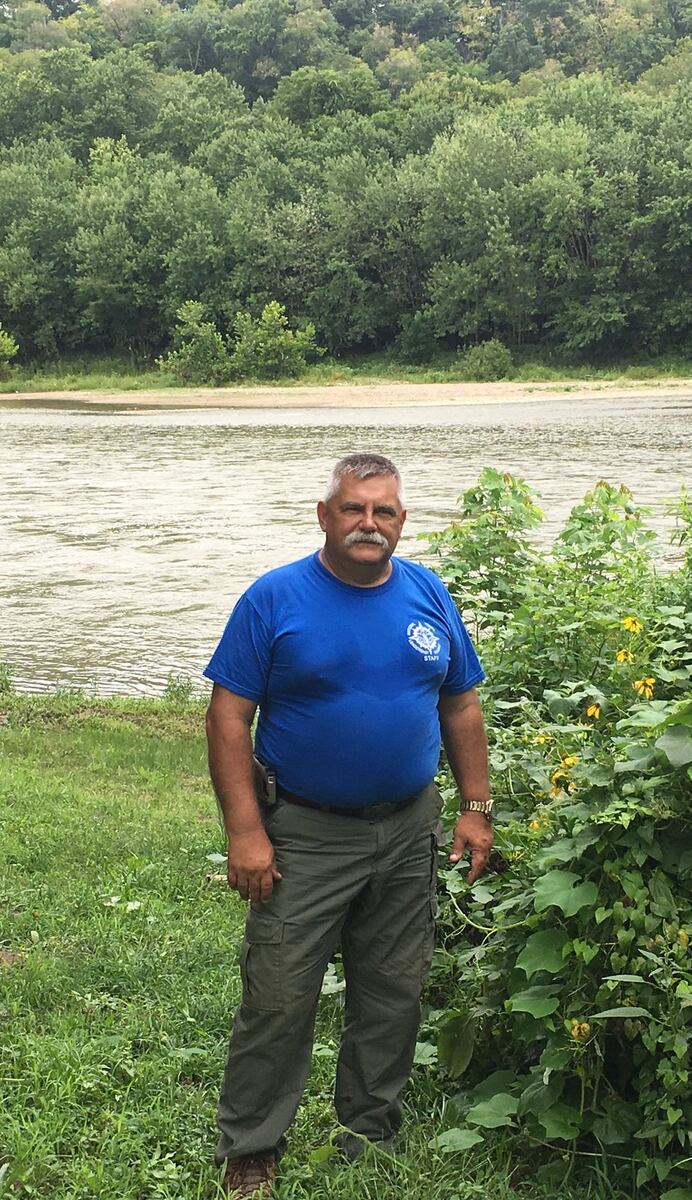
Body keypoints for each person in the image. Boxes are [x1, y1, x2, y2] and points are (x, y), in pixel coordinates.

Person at [203, 452, 494, 1198]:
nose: (370, 524)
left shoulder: (428, 593)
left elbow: (460, 703)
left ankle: (369, 1131)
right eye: (354, 509)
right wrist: (245, 832)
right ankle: (253, 1147)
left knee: (394, 990)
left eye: (385, 511)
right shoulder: (275, 598)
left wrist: (474, 807)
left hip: (407, 830)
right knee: (278, 995)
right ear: (325, 514)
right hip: (302, 831)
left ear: (402, 520)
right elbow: (229, 718)